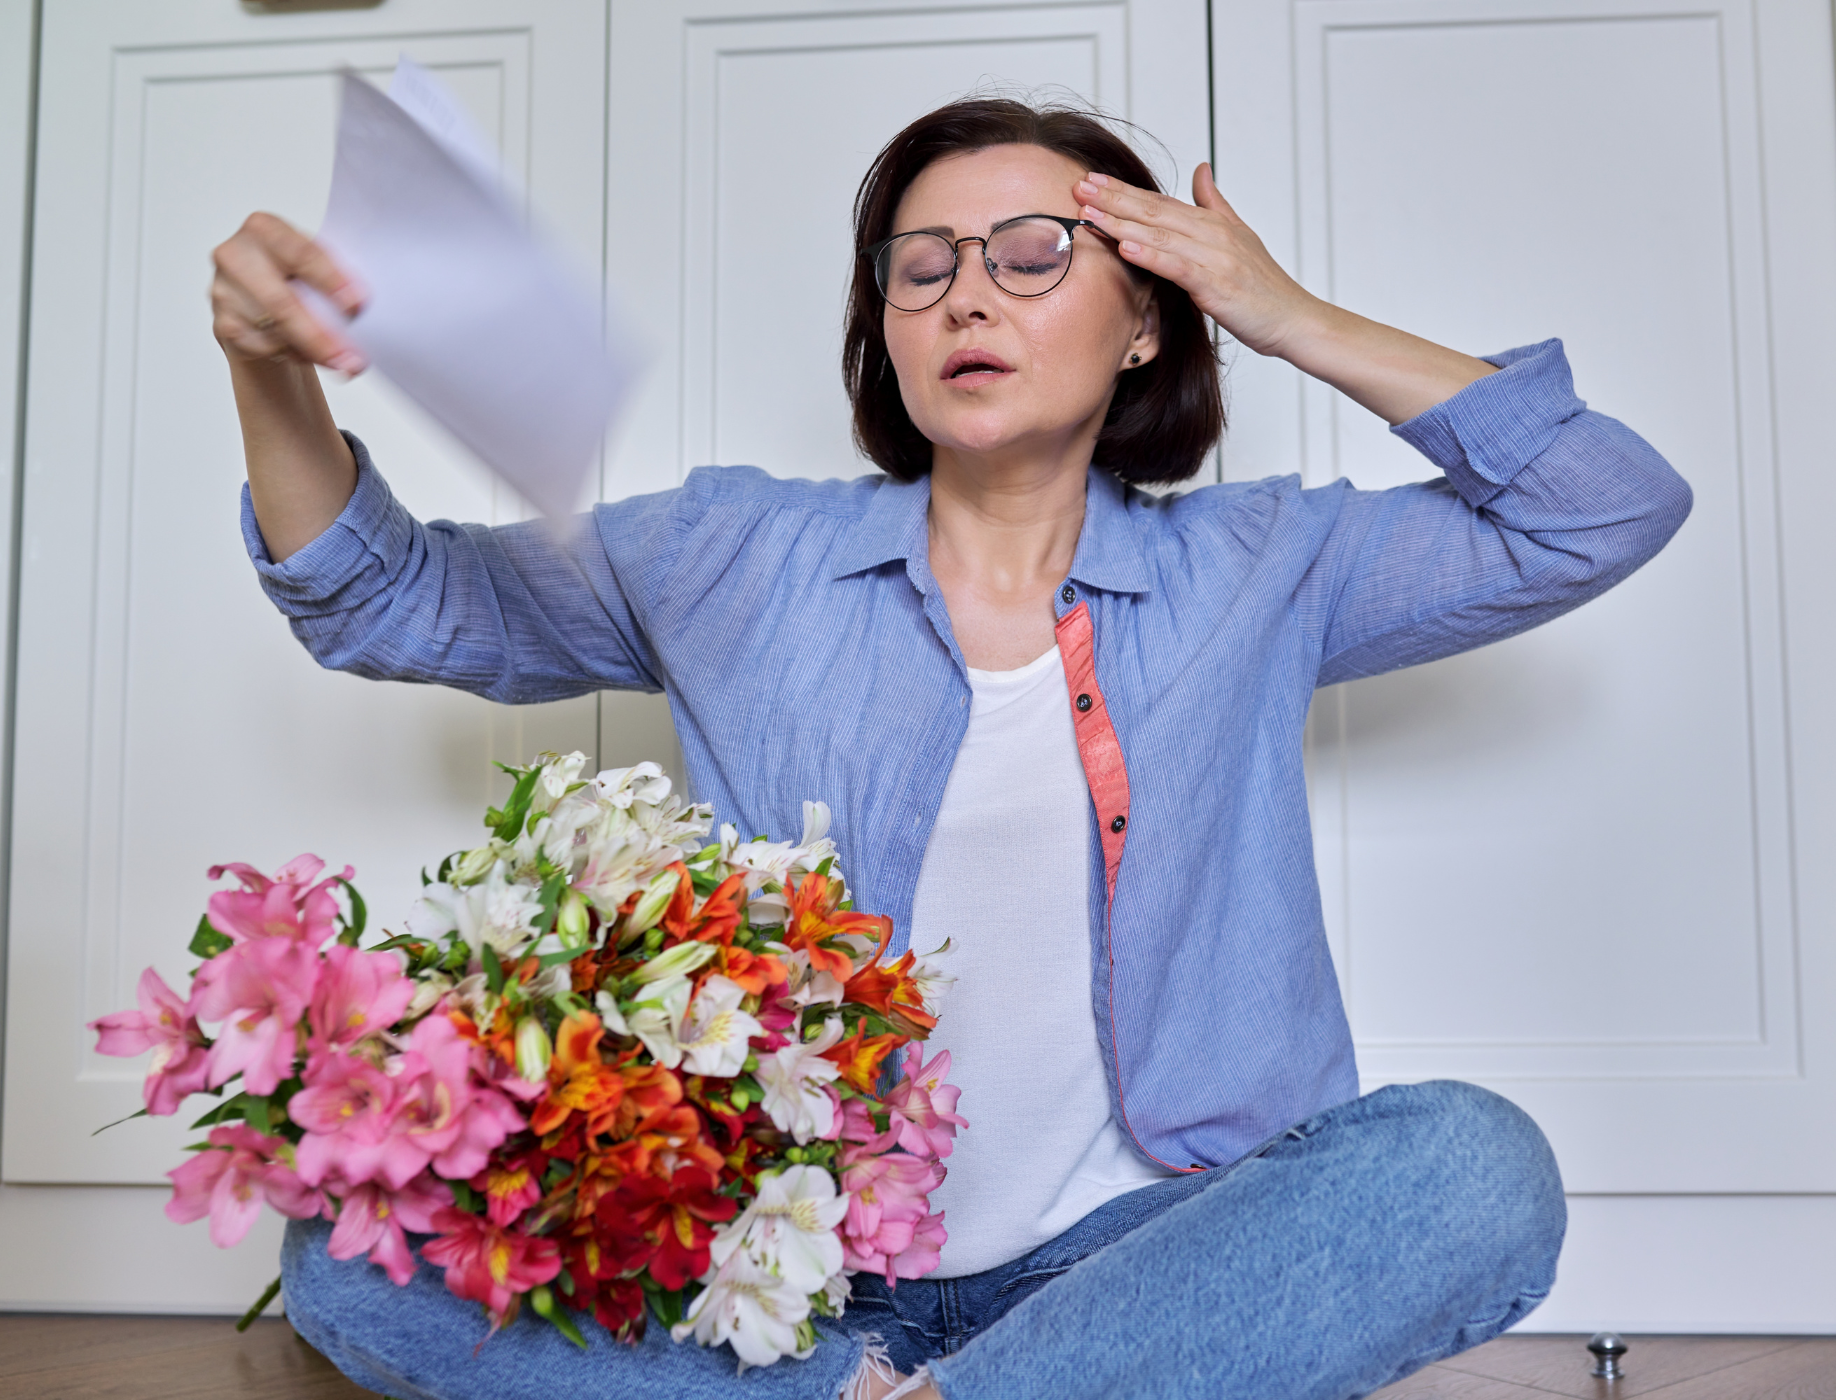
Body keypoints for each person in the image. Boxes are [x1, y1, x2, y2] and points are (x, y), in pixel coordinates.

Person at [211, 97, 1690, 1400]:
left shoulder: (1263, 567)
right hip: (791, 1283)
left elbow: (1600, 505)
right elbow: (384, 600)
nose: (967, 294)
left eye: (1032, 253)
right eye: (923, 268)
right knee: (356, 1259)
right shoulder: (733, 554)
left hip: (1133, 1260)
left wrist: (1286, 313)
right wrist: (268, 367)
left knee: (1474, 1171)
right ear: (886, 331)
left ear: (1147, 311)